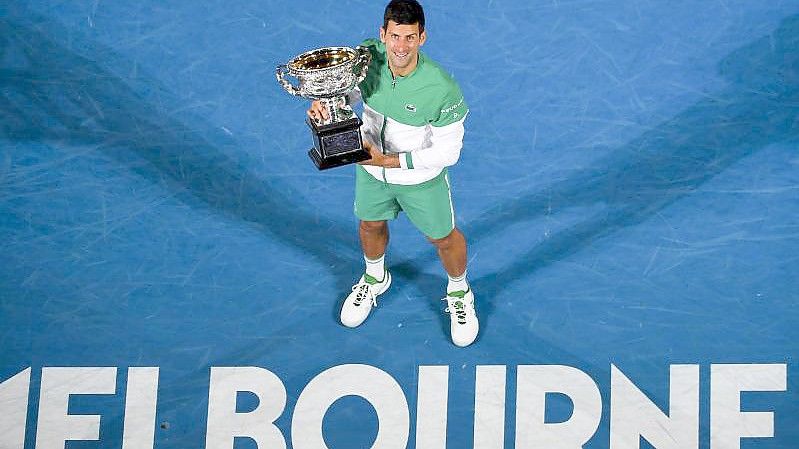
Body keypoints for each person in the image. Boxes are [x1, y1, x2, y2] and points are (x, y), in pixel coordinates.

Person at [307, 0, 478, 347]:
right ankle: (374, 277)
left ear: (423, 37)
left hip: (419, 179)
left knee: (443, 239)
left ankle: (460, 292)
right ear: (383, 34)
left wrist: (389, 162)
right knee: (370, 224)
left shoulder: (441, 88)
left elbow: (448, 152)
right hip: (370, 170)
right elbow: (353, 93)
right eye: (395, 36)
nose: (401, 47)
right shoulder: (367, 57)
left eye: (410, 38)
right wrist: (329, 107)